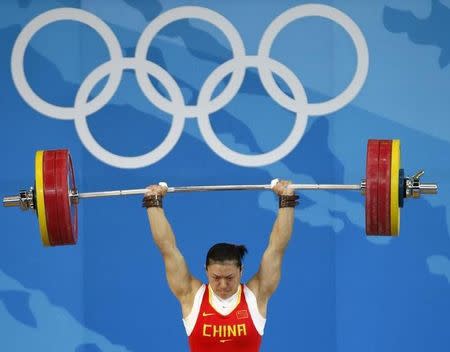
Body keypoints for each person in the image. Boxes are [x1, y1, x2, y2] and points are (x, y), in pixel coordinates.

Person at [143, 180, 298, 352]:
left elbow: (277, 248)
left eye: (229, 278)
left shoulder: (257, 294)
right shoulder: (191, 295)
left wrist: (286, 200)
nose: (223, 285)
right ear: (206, 271)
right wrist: (153, 201)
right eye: (216, 278)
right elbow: (167, 249)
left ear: (241, 271)